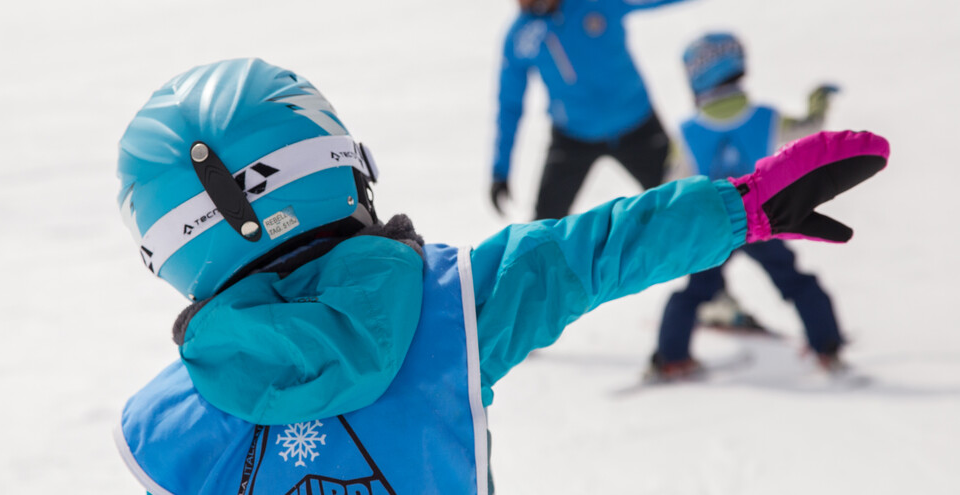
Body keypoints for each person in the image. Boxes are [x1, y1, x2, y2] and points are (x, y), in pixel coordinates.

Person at [112, 58, 887, 494]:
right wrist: (742, 206)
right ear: (346, 172)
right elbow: (594, 249)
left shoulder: (163, 428)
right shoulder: (453, 308)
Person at [648, 32, 847, 380]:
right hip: (762, 219)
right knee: (795, 281)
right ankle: (827, 348)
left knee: (696, 292)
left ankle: (671, 357)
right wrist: (818, 101)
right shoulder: (765, 117)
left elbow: (670, 184)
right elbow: (809, 126)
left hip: (713, 227)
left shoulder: (688, 131)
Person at [489, 0, 695, 220]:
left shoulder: (596, 3)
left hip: (638, 126)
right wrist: (500, 171)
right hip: (572, 138)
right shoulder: (521, 36)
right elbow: (509, 105)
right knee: (544, 226)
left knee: (682, 208)